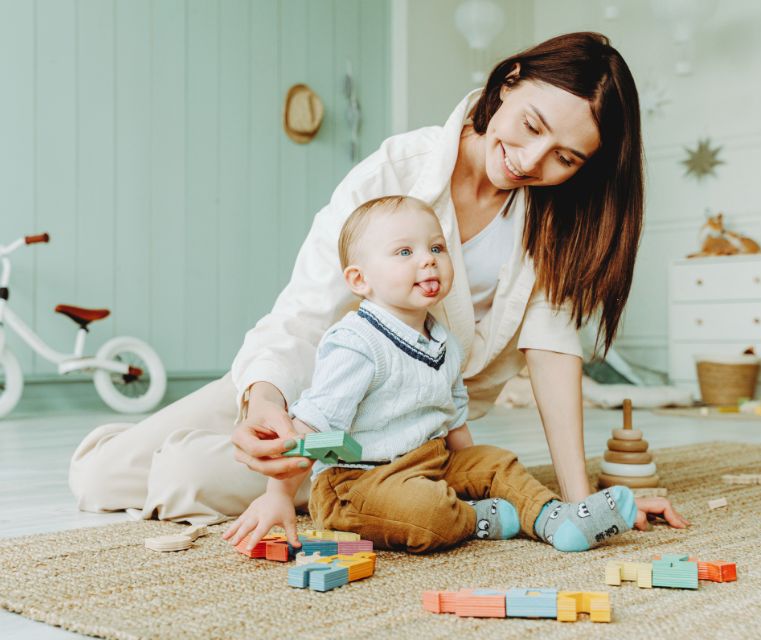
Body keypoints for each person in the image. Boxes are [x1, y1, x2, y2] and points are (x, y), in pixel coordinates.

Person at [69, 32, 682, 528]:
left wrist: (579, 502)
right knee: (96, 477)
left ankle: (361, 484)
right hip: (314, 381)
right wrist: (263, 401)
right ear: (510, 79)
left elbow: (551, 353)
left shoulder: (556, 223)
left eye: (564, 158)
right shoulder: (397, 170)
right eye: (531, 125)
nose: (530, 159)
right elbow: (304, 313)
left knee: (184, 477)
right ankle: (206, 444)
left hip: (401, 430)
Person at [223, 195, 686, 554]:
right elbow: (314, 427)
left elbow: (452, 417)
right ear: (360, 280)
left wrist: (473, 471)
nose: (427, 260)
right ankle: (479, 519)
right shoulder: (356, 342)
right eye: (404, 251)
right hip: (358, 484)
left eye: (437, 248)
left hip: (429, 460)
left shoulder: (442, 339)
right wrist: (278, 494)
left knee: (498, 463)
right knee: (428, 514)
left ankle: (557, 518)